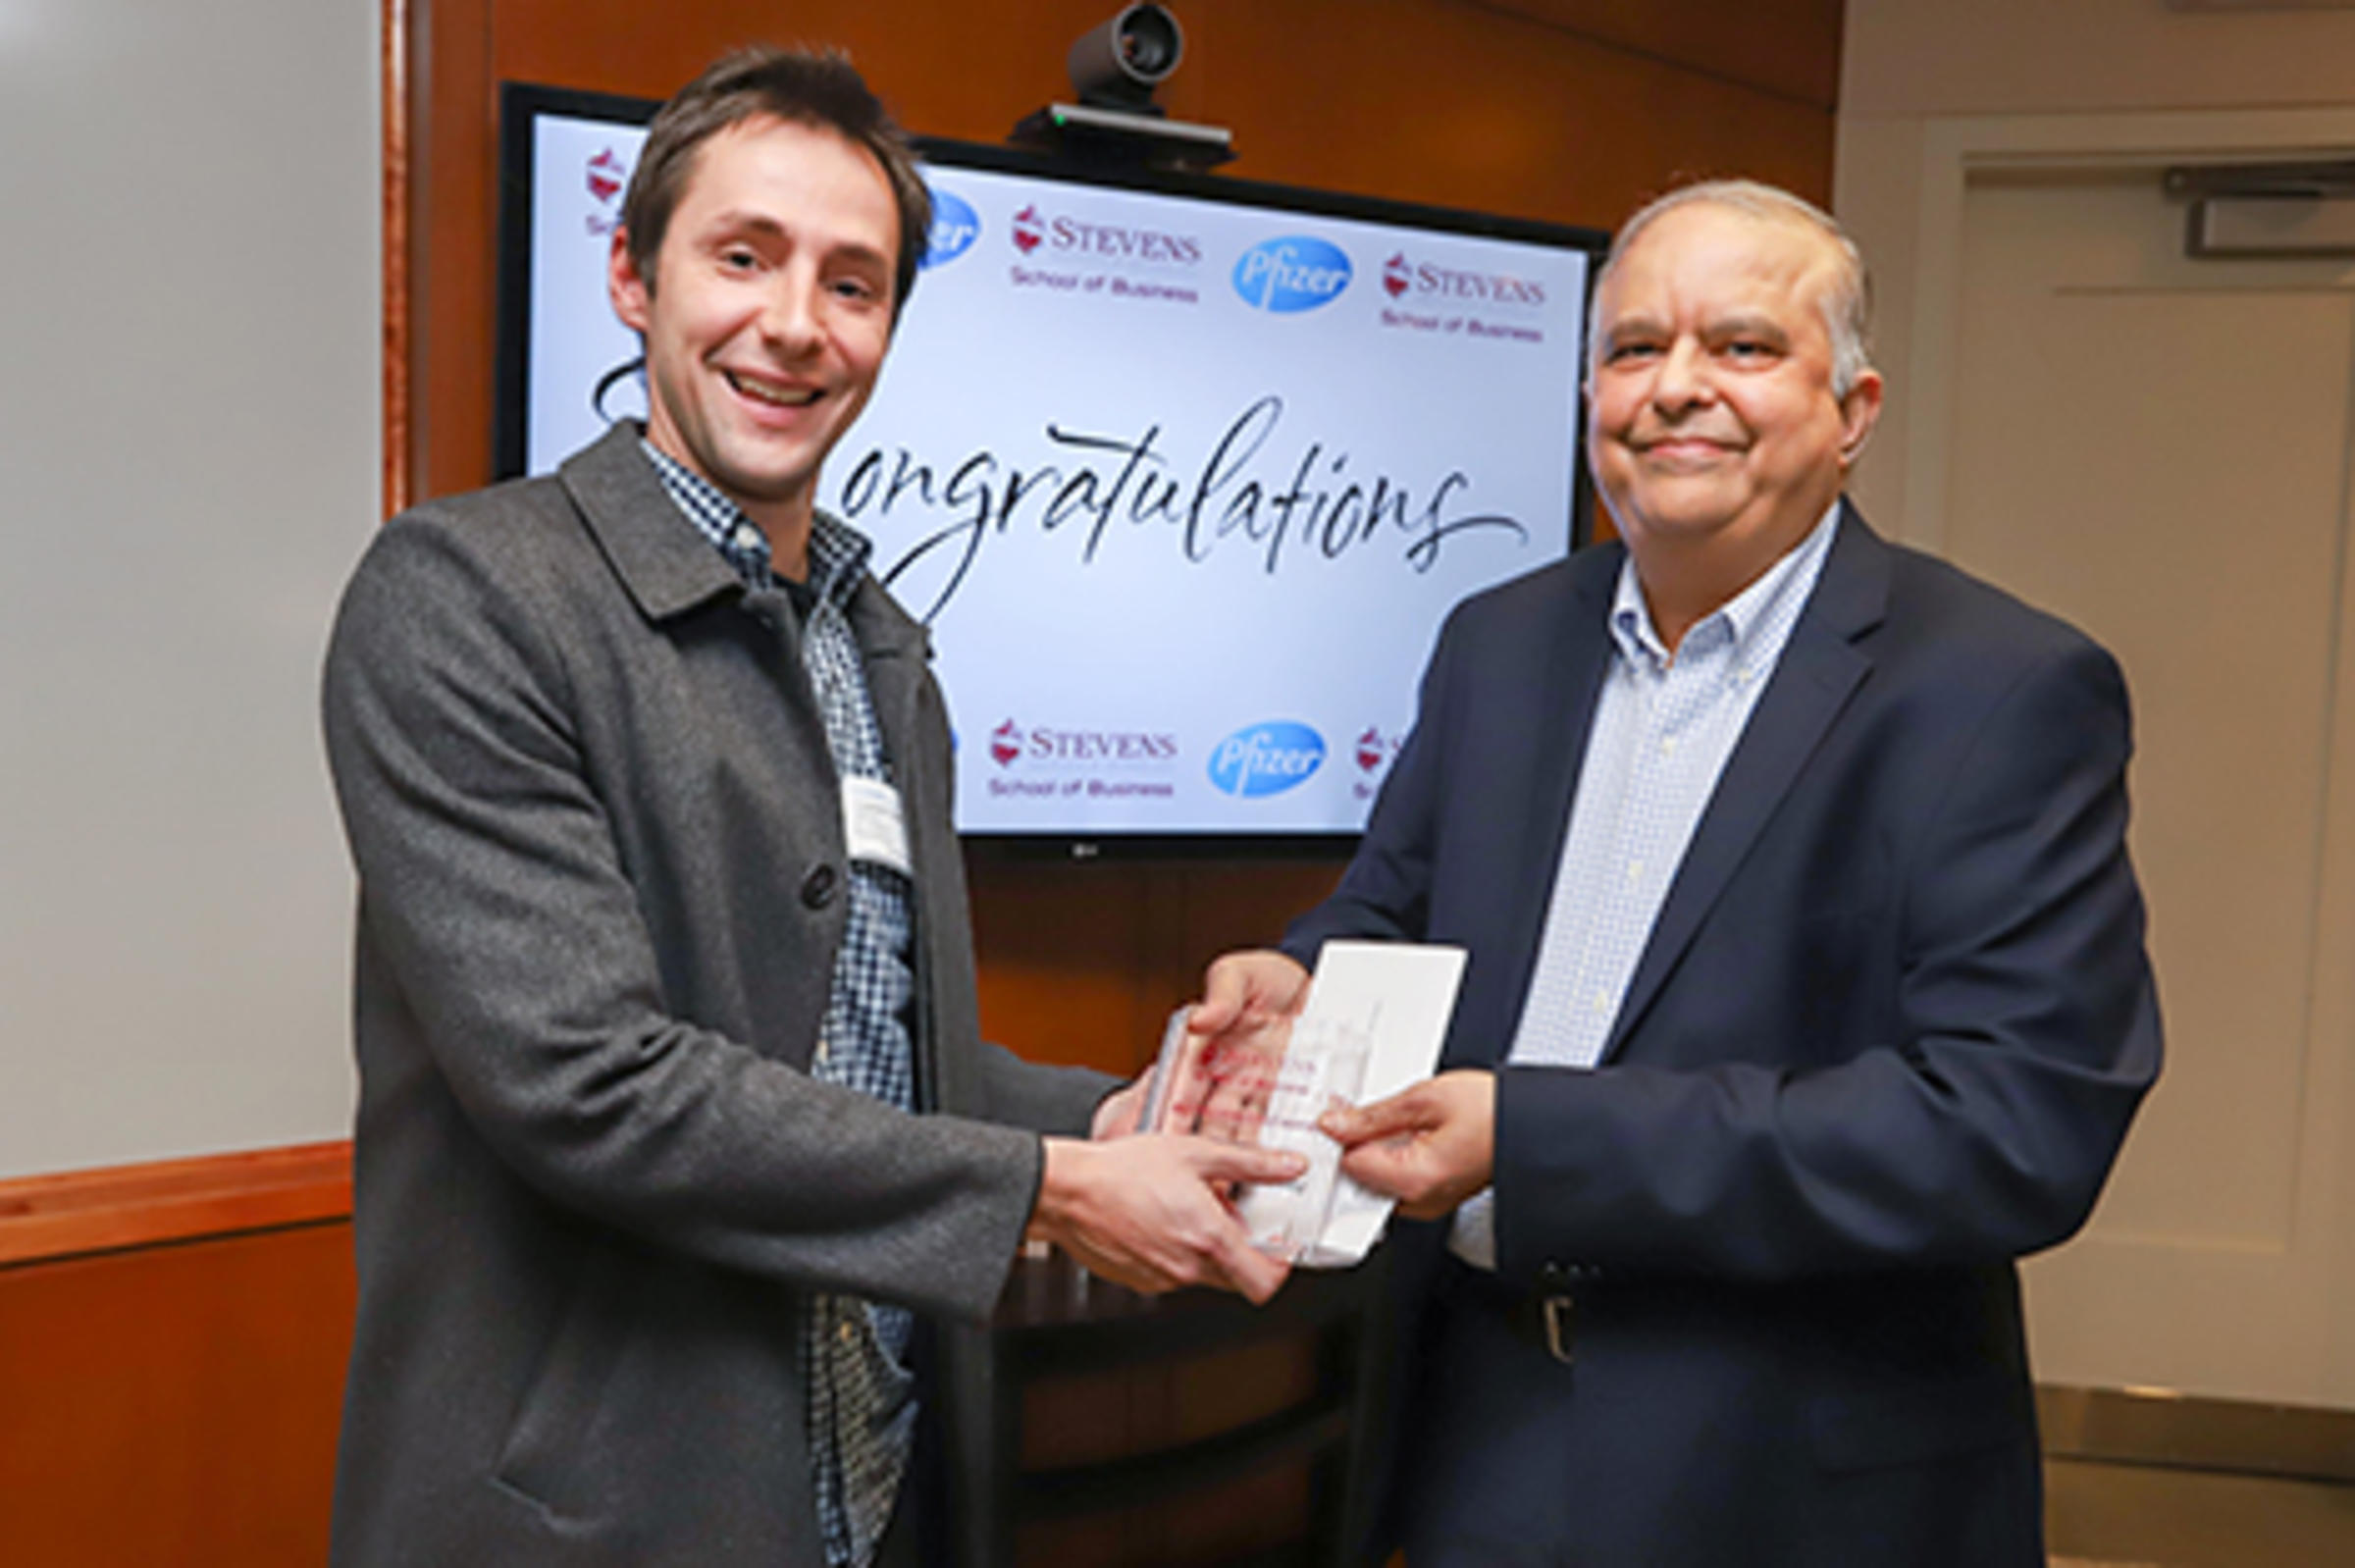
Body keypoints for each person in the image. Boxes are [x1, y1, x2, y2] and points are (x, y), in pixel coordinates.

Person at [321, 46, 1299, 1568]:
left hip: (875, 1471)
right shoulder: (466, 597)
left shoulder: (875, 637)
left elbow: (861, 1035)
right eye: (743, 256)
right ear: (634, 277)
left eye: (855, 283)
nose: (795, 324)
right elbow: (590, 1083)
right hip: (597, 1512)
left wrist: (1105, 1110)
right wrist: (1051, 1187)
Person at [1187, 180, 2162, 1566]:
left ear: (1854, 412)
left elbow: (2015, 1124)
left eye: (1745, 347)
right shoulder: (1498, 641)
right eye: (1635, 348)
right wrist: (1296, 970)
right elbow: (1395, 908)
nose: (1676, 388)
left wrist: (1534, 1140)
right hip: (1481, 1420)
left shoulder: (2001, 690)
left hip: (1805, 1476)